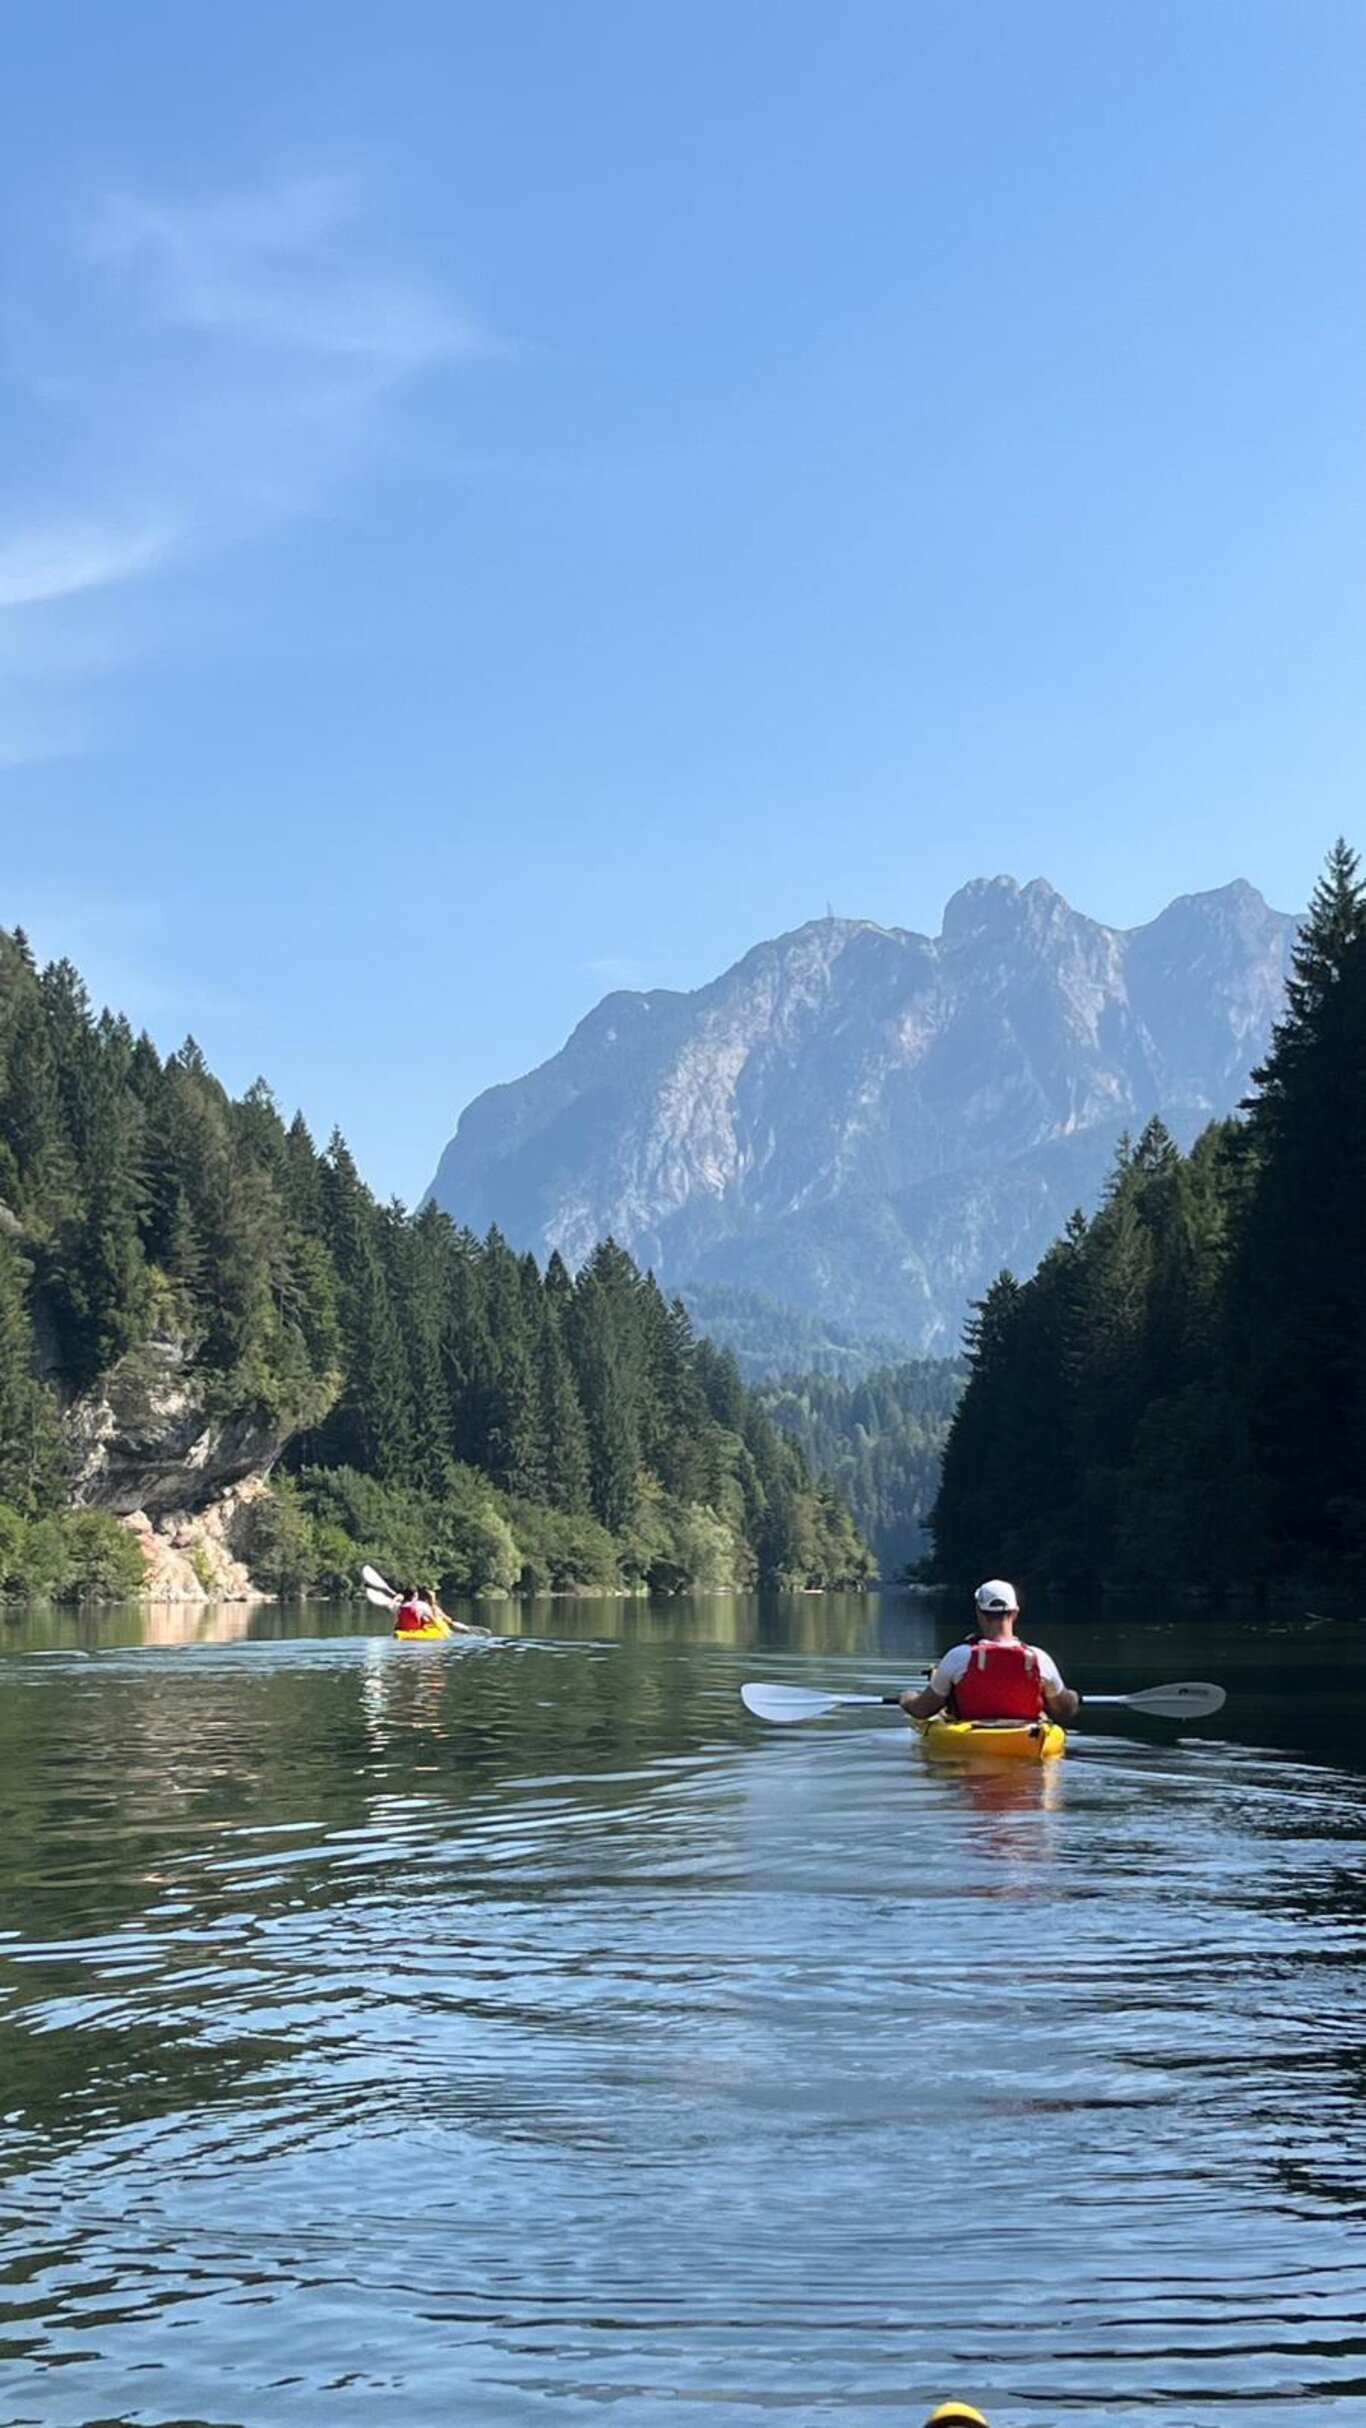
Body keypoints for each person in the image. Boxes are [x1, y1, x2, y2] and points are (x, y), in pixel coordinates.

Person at [900, 1579, 1079, 1725]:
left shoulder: (959, 1657)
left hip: (970, 1737)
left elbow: (922, 1710)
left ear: (979, 1612)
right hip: (1026, 1737)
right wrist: (1073, 1696)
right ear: (1015, 1613)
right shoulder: (1039, 1659)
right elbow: (1065, 1709)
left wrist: (907, 1698)